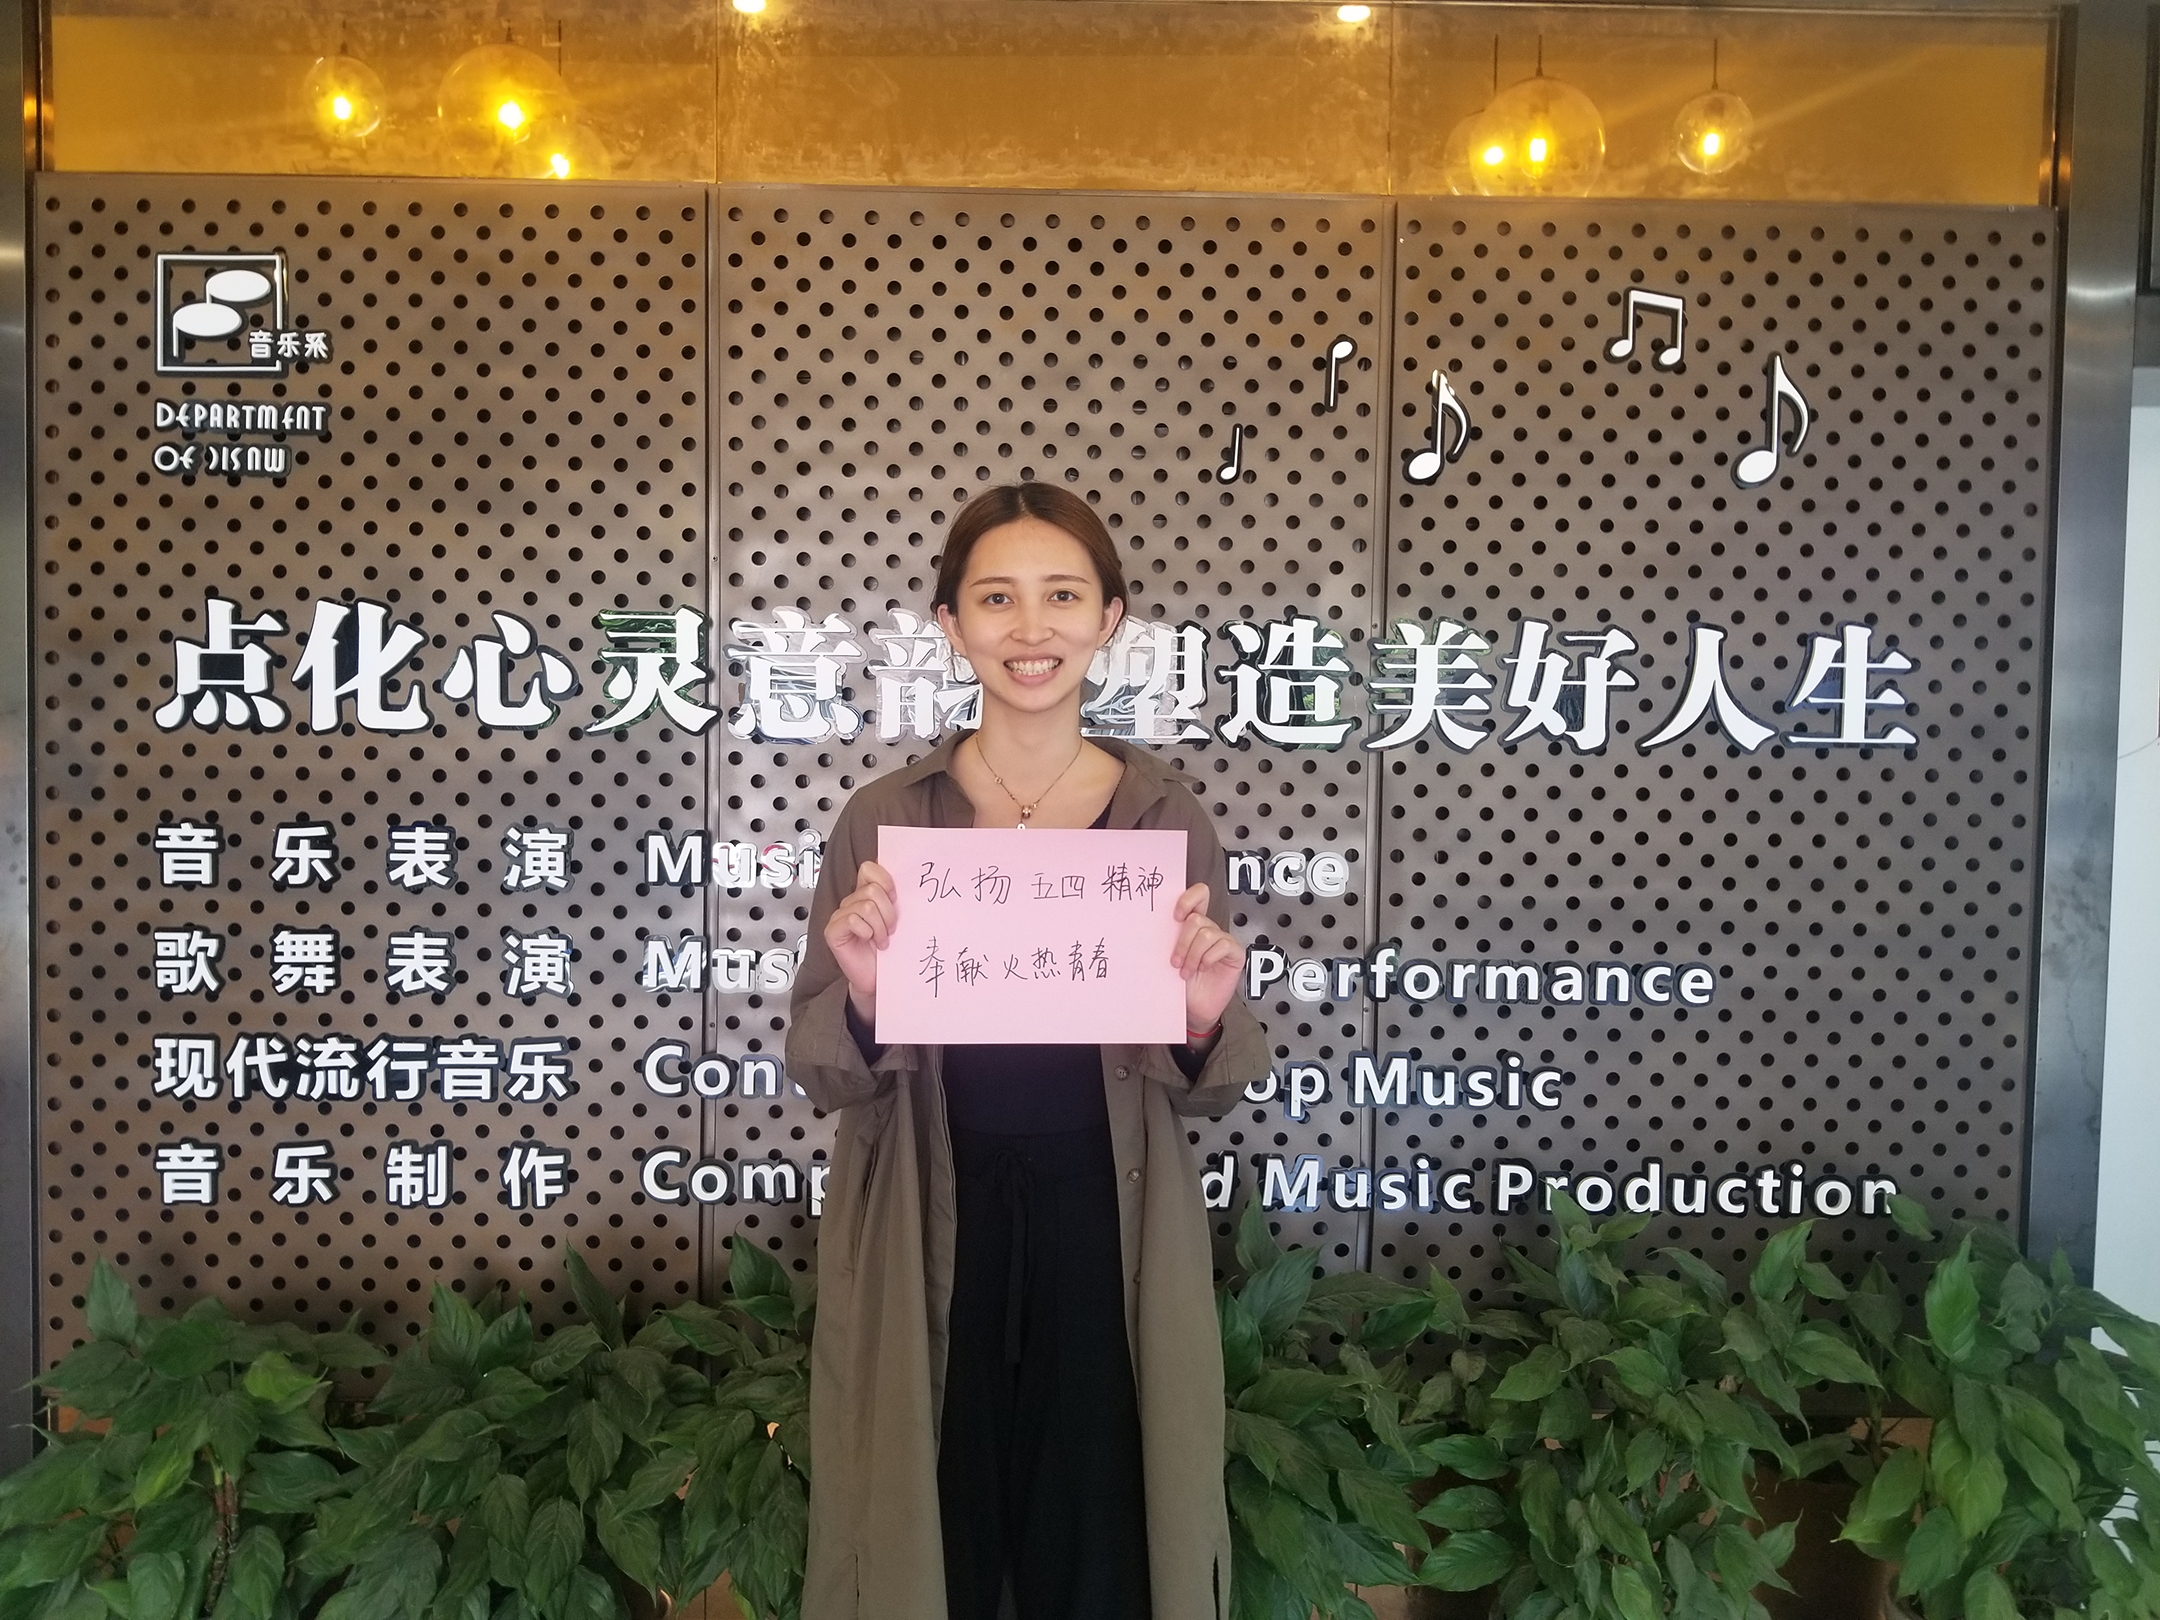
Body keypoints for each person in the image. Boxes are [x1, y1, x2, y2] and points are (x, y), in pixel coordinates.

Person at [785, 482, 1270, 1620]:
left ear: (1110, 619)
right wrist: (866, 995)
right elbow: (822, 1070)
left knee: (1101, 1528)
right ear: (950, 625)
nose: (1031, 627)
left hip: (1108, 1211)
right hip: (928, 1205)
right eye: (996, 598)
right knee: (930, 1524)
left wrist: (1199, 1016)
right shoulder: (885, 817)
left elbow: (1207, 1089)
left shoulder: (1163, 816)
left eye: (1063, 595)